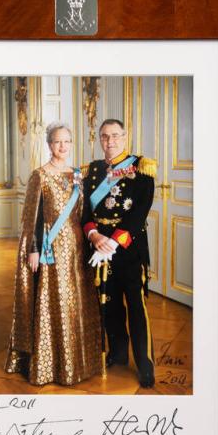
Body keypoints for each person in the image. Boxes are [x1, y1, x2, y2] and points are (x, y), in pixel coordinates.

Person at [5, 122, 102, 386]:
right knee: (55, 302)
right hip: (50, 248)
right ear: (49, 145)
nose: (63, 146)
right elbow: (31, 218)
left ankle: (79, 362)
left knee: (77, 303)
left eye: (67, 141)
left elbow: (84, 213)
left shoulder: (78, 175)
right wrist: (34, 249)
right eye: (58, 141)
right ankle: (52, 365)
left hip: (78, 247)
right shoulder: (40, 175)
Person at [81, 118, 157, 388]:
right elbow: (85, 213)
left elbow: (139, 212)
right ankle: (118, 354)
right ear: (99, 139)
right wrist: (94, 235)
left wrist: (113, 242)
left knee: (136, 306)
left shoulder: (141, 166)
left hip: (128, 249)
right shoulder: (92, 170)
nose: (109, 141)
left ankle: (145, 365)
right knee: (109, 305)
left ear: (125, 137)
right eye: (104, 136)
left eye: (115, 135)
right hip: (99, 247)